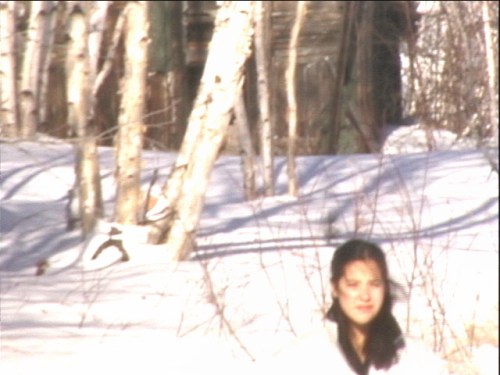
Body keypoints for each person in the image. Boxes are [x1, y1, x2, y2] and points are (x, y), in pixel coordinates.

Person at [266, 239, 447, 375]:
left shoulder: (416, 357)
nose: (365, 295)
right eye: (353, 285)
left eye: (374, 284)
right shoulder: (301, 357)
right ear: (335, 288)